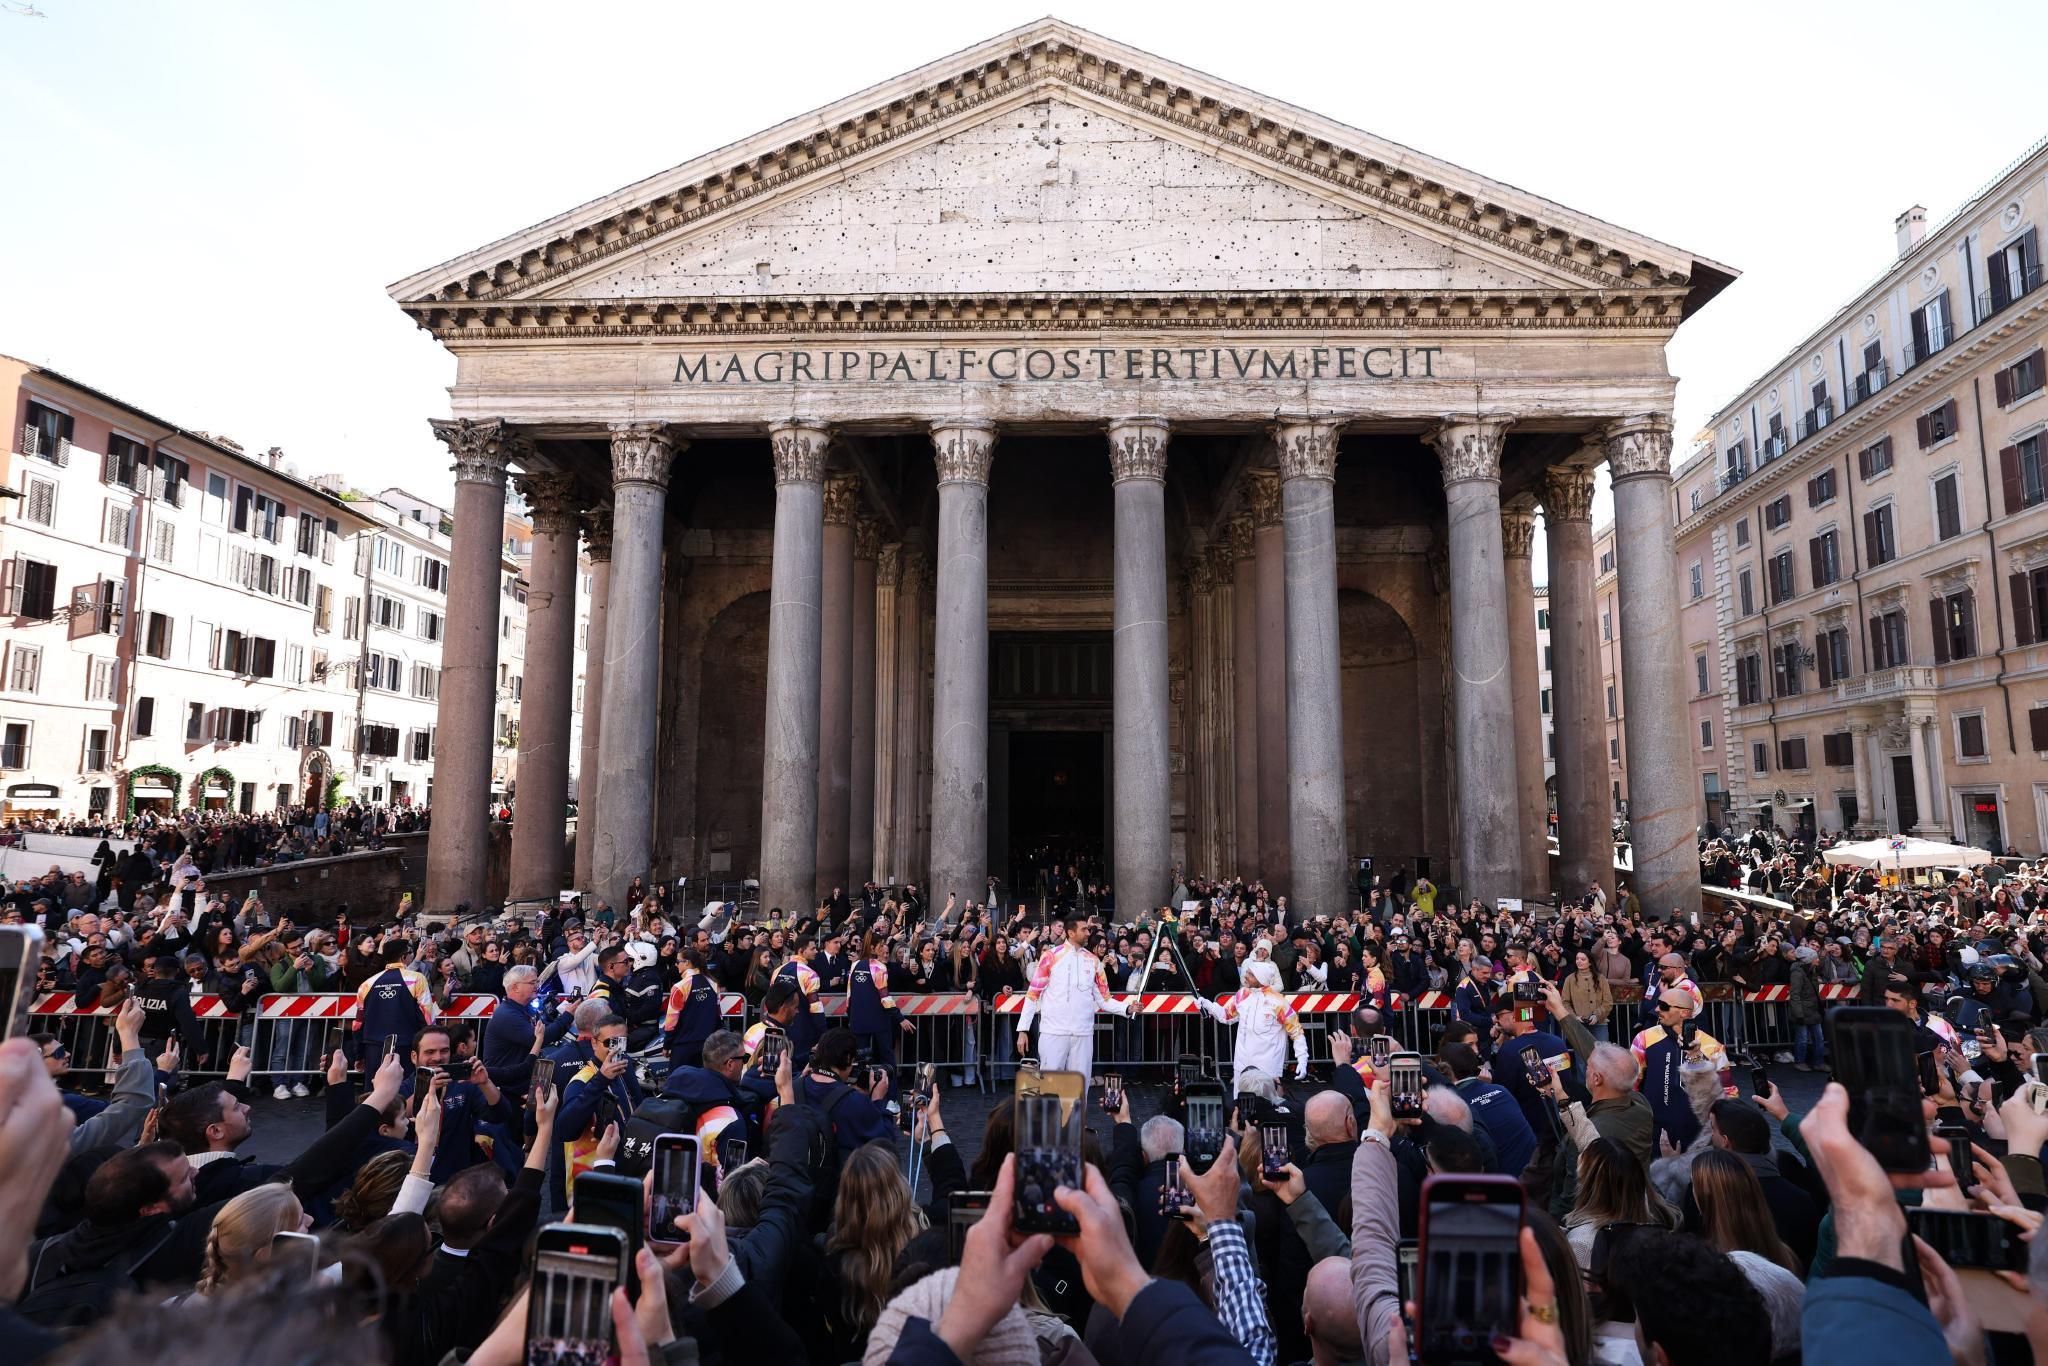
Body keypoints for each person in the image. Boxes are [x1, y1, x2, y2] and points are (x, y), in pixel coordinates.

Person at [1014, 912, 1131, 1084]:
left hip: (1083, 1033)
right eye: (1083, 929)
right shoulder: (1050, 957)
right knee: (1050, 1088)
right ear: (1071, 933)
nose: (1088, 933)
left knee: (1079, 1090)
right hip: (1054, 1033)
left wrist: (1127, 1008)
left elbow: (1104, 999)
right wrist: (1023, 1030)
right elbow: (1033, 995)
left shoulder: (1094, 961)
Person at [1197, 941, 1310, 1083]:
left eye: (1250, 974)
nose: (1245, 976)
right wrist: (1207, 1004)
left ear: (1260, 978)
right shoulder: (1242, 995)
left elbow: (1296, 1031)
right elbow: (1227, 1016)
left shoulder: (1278, 1002)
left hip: (1267, 1063)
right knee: (1241, 1100)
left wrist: (1302, 1058)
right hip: (1242, 1062)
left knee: (1268, 1101)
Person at [354, 937, 436, 1067]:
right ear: (404, 957)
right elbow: (426, 1017)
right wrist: (431, 1047)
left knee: (375, 1087)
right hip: (406, 1047)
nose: (412, 957)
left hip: (373, 1048)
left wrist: (359, 1054)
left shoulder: (367, 984)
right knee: (405, 1087)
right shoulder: (416, 978)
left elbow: (358, 1023)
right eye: (411, 954)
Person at [660, 948, 723, 1068]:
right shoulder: (713, 983)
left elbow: (671, 1023)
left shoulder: (679, 987)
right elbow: (718, 1016)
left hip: (684, 1046)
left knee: (678, 1084)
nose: (676, 964)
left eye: (678, 961)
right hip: (708, 1045)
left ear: (687, 963)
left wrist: (667, 1045)